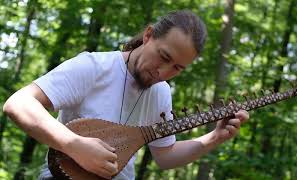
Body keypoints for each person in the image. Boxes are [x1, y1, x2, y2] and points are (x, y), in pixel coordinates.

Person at [3, 10, 249, 179]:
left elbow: (164, 156)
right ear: (148, 35)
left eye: (177, 68)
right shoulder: (94, 67)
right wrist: (75, 145)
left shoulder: (161, 92)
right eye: (164, 57)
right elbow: (19, 103)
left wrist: (214, 138)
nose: (163, 72)